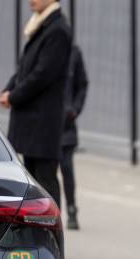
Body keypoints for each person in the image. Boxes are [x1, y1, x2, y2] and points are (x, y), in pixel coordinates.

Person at [0, 0, 72, 208]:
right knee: (33, 180)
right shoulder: (41, 25)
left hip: (43, 123)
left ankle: (51, 233)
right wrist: (9, 88)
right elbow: (25, 68)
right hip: (33, 121)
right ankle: (36, 230)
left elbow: (42, 75)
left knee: (45, 180)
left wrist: (13, 96)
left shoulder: (57, 30)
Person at [60, 44, 88, 229]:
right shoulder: (42, 48)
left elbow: (82, 84)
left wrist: (74, 109)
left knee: (67, 168)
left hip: (66, 124)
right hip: (45, 124)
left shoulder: (74, 52)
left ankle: (71, 209)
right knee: (45, 174)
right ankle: (49, 215)